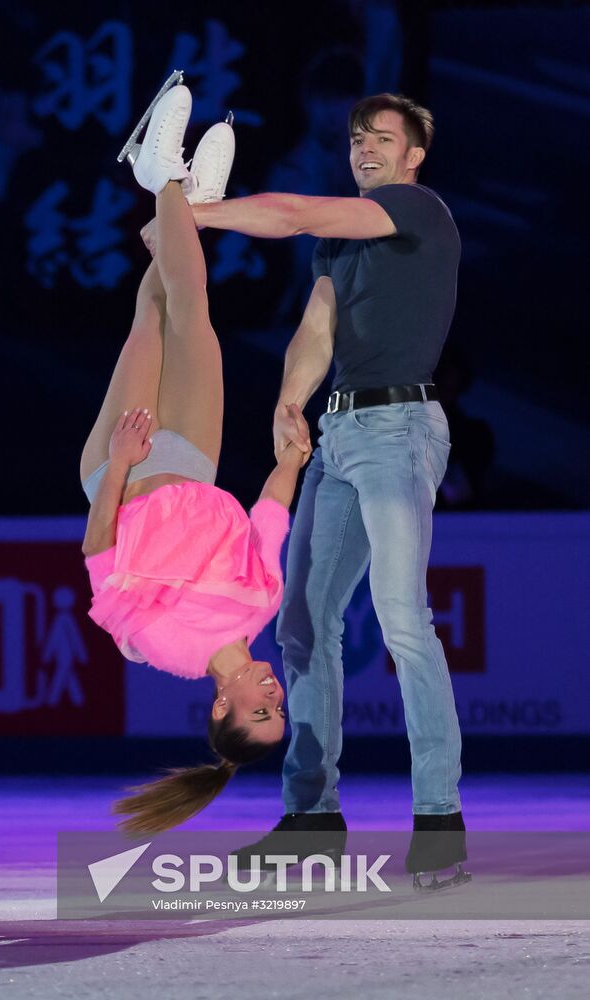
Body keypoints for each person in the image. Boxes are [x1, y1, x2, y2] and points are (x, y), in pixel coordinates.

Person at [171, 91, 469, 888]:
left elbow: (297, 212)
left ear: (412, 156)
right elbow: (316, 328)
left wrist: (203, 213)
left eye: (382, 138)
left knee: (405, 620)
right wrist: (288, 400)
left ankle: (437, 818)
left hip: (399, 432)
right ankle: (312, 816)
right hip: (338, 437)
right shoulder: (341, 246)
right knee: (301, 624)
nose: (364, 148)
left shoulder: (414, 209)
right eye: (355, 138)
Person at [80, 83, 310, 836]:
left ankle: (170, 187)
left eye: (260, 710)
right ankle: (173, 197)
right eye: (280, 708)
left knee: (155, 313)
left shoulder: (162, 646)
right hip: (198, 458)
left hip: (128, 467)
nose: (273, 695)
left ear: (222, 707)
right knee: (192, 302)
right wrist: (292, 458)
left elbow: (98, 557)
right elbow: (269, 517)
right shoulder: (262, 607)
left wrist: (119, 461)